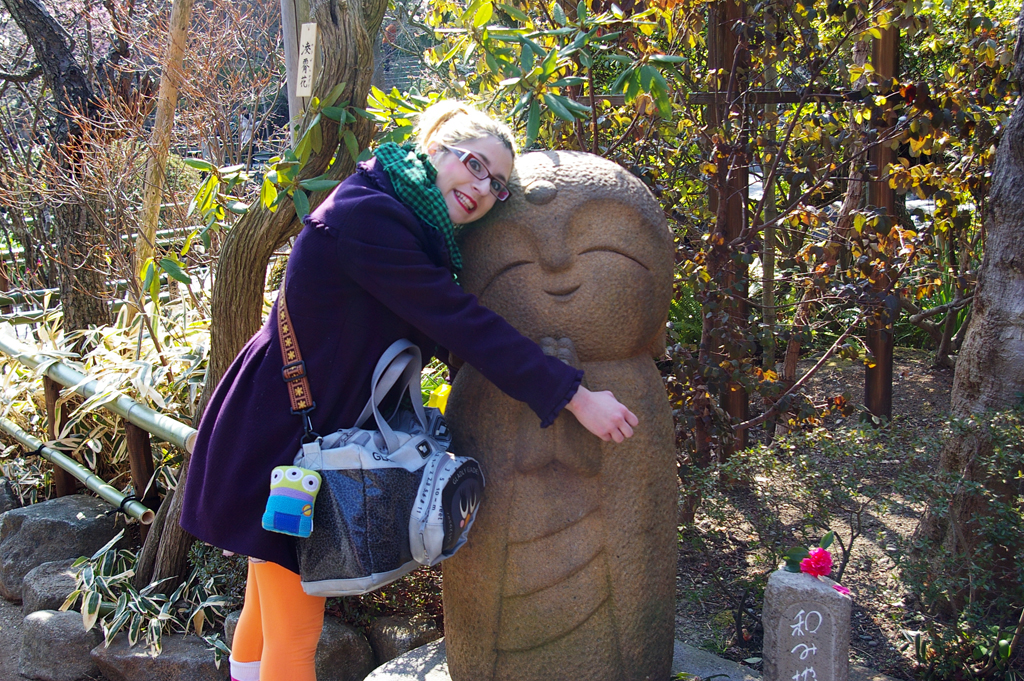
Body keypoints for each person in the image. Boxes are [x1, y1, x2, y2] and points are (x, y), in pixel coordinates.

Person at [180, 100, 638, 681]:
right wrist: (574, 395)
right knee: (295, 637)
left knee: (267, 610)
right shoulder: (370, 217)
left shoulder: (400, 215)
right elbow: (457, 321)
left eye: (496, 184)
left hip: (284, 426)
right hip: (284, 440)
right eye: (473, 165)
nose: (481, 187)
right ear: (438, 148)